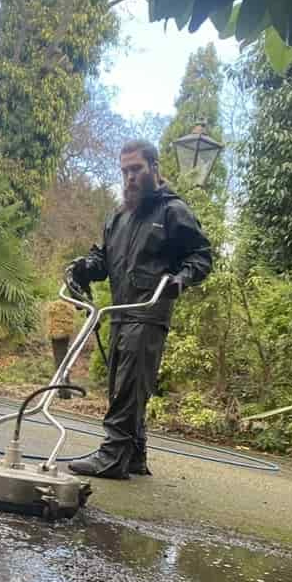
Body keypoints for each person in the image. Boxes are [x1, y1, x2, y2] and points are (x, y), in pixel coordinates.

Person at [65, 139, 212, 479]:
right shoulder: (119, 215)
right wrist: (85, 267)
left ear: (154, 168)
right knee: (125, 385)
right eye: (124, 171)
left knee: (130, 385)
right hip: (120, 310)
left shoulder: (173, 211)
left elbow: (201, 256)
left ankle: (112, 457)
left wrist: (181, 279)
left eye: (136, 169)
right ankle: (134, 454)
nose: (130, 177)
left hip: (148, 311)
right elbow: (103, 259)